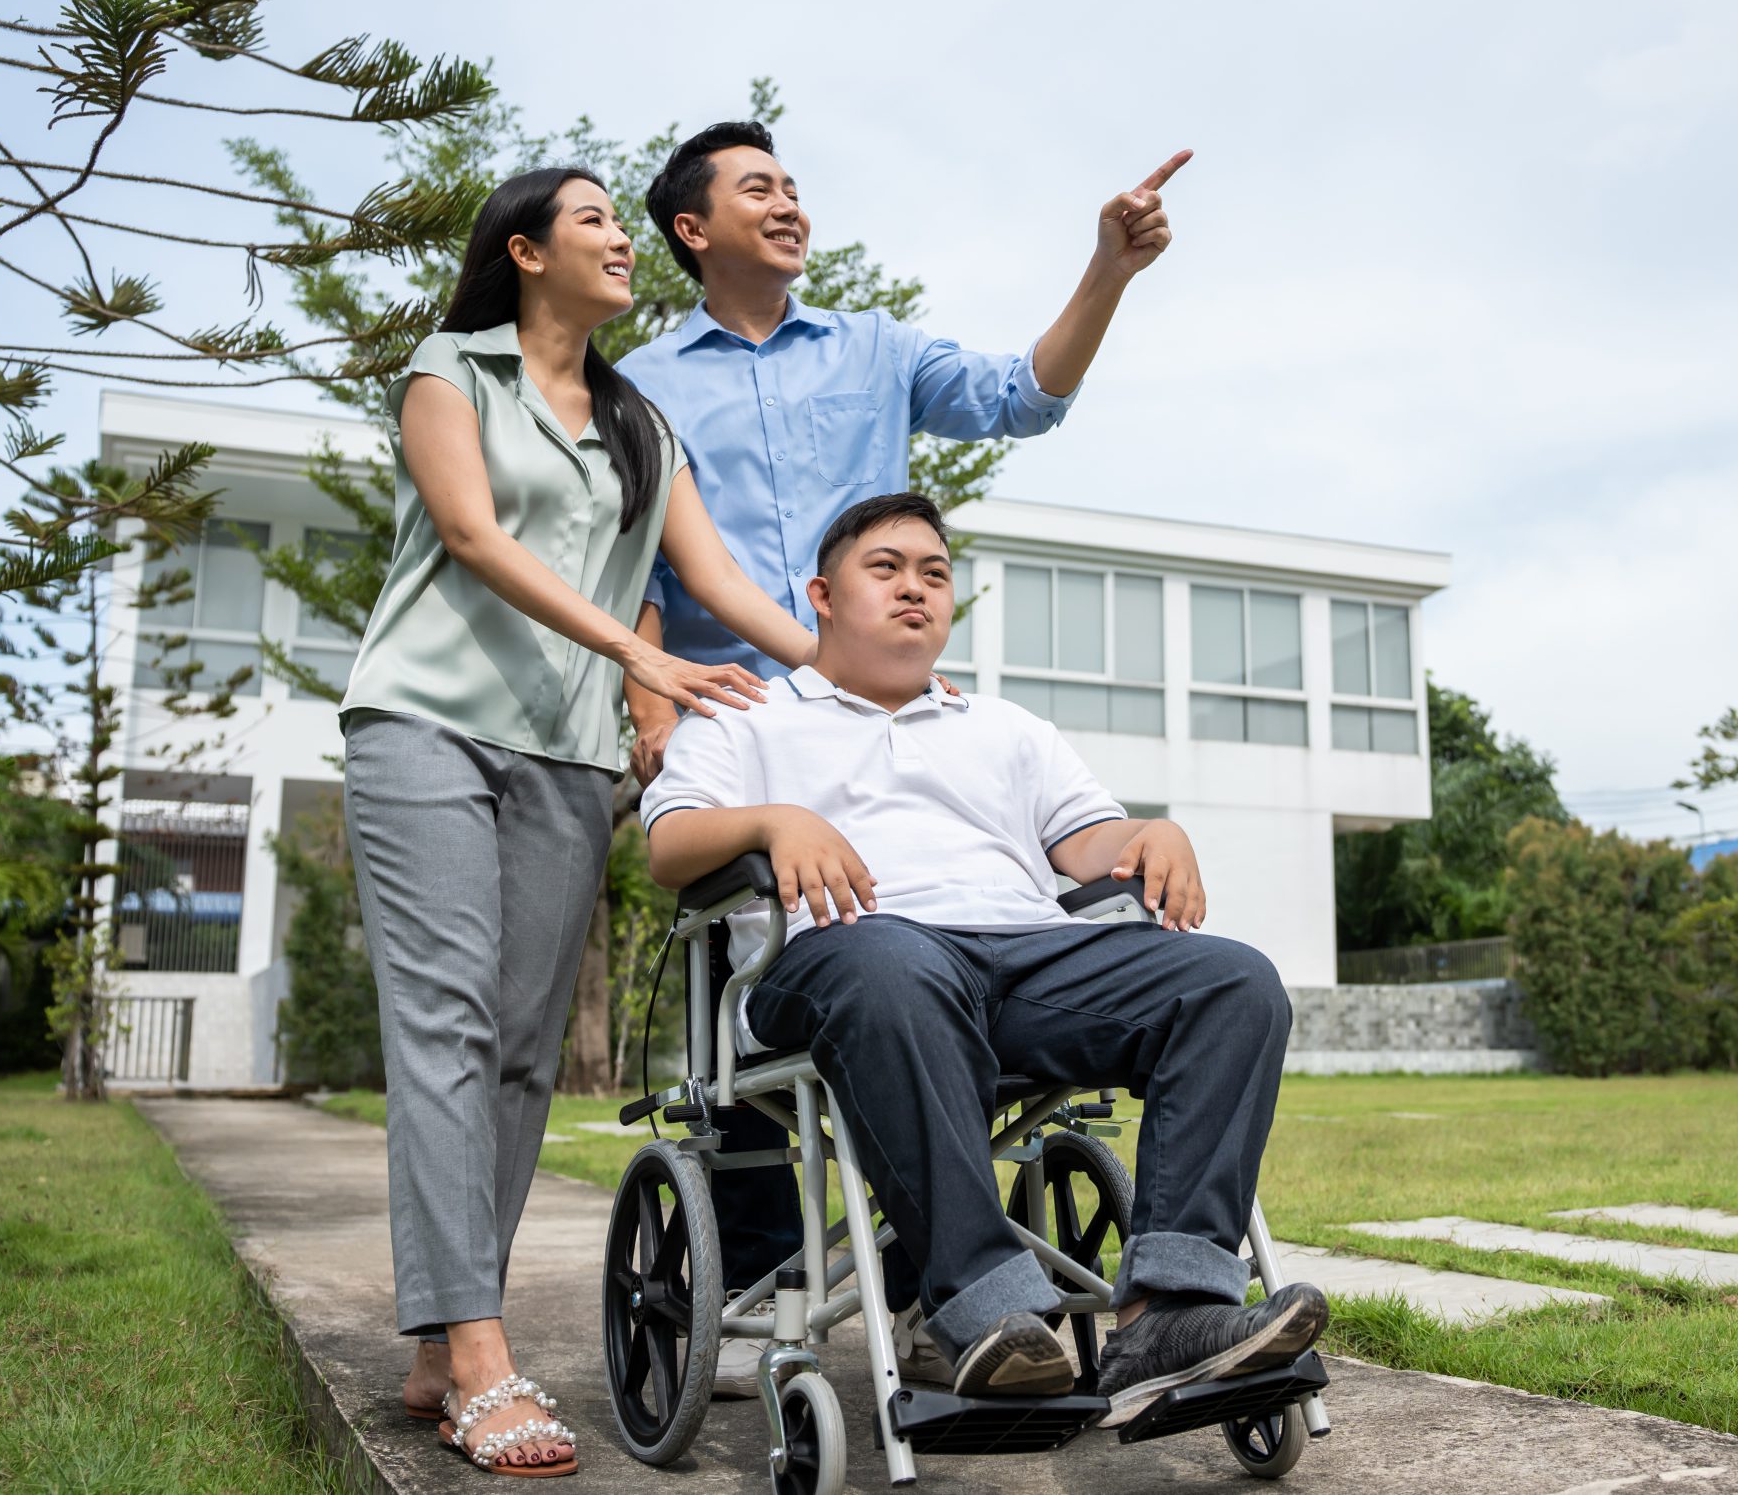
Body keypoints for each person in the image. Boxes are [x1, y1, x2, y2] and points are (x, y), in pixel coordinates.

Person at [613, 119, 1189, 1387]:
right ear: (692, 230)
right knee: (760, 1065)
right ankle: (773, 1287)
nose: (790, 204)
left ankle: (972, 1282)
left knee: (934, 955)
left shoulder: (873, 348)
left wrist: (1110, 270)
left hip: (880, 701)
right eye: (758, 188)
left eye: (796, 187)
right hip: (740, 724)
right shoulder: (641, 382)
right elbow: (642, 557)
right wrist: (654, 702)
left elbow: (1022, 396)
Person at [339, 165, 827, 1477]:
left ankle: (444, 1339)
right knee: (444, 1026)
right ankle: (483, 1353)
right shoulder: (457, 369)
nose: (622, 239)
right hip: (426, 727)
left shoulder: (639, 422)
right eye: (598, 219)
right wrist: (641, 655)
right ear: (528, 249)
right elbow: (473, 532)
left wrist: (855, 671)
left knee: (516, 1053)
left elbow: (720, 577)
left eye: (623, 221)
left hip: (560, 756)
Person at [641, 493, 1326, 1422]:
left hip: (1025, 958)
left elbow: (1091, 846)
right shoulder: (749, 717)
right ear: (822, 595)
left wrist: (1151, 831)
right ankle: (981, 1313)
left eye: (933, 572)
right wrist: (775, 819)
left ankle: (1171, 1310)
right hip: (850, 958)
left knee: (1233, 980)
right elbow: (670, 844)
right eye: (885, 568)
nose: (914, 588)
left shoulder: (1006, 729)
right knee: (892, 966)